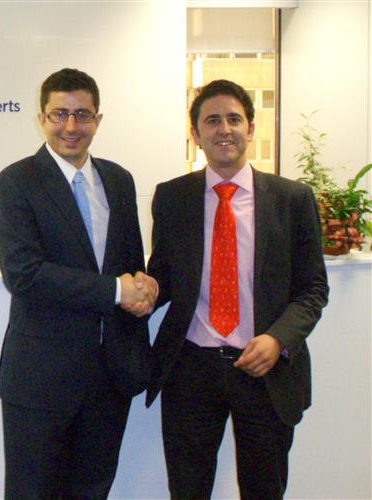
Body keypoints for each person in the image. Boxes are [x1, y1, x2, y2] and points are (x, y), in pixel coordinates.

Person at [145, 79, 329, 499]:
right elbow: (165, 275)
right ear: (196, 134)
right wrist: (143, 289)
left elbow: (313, 288)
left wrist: (277, 339)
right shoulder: (173, 197)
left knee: (264, 490)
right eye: (212, 120)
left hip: (264, 367)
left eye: (233, 119)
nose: (224, 129)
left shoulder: (292, 199)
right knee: (187, 490)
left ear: (251, 127)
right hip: (191, 369)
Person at [0, 68, 157, 499]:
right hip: (42, 379)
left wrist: (143, 288)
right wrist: (118, 291)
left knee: (93, 491)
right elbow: (24, 273)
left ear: (98, 120)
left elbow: (128, 264)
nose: (70, 126)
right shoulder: (15, 183)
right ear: (41, 119)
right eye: (59, 114)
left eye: (82, 115)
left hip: (109, 376)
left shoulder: (119, 181)